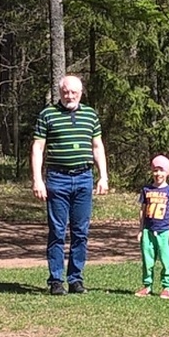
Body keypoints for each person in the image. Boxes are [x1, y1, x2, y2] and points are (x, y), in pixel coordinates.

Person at [31, 74, 109, 294]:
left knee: (80, 231)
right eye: (65, 92)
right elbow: (38, 149)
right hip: (57, 179)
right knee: (57, 231)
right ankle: (56, 280)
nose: (69, 96)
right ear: (60, 92)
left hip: (84, 178)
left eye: (74, 92)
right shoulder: (48, 115)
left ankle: (76, 279)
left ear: (81, 93)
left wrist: (103, 176)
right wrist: (38, 180)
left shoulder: (90, 115)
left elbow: (97, 147)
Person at [135, 154, 169, 300]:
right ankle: (147, 285)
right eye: (155, 170)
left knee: (167, 260)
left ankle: (167, 287)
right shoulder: (146, 190)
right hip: (148, 231)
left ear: (167, 172)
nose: (158, 174)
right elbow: (142, 210)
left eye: (161, 170)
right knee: (148, 260)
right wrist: (141, 230)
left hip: (165, 231)